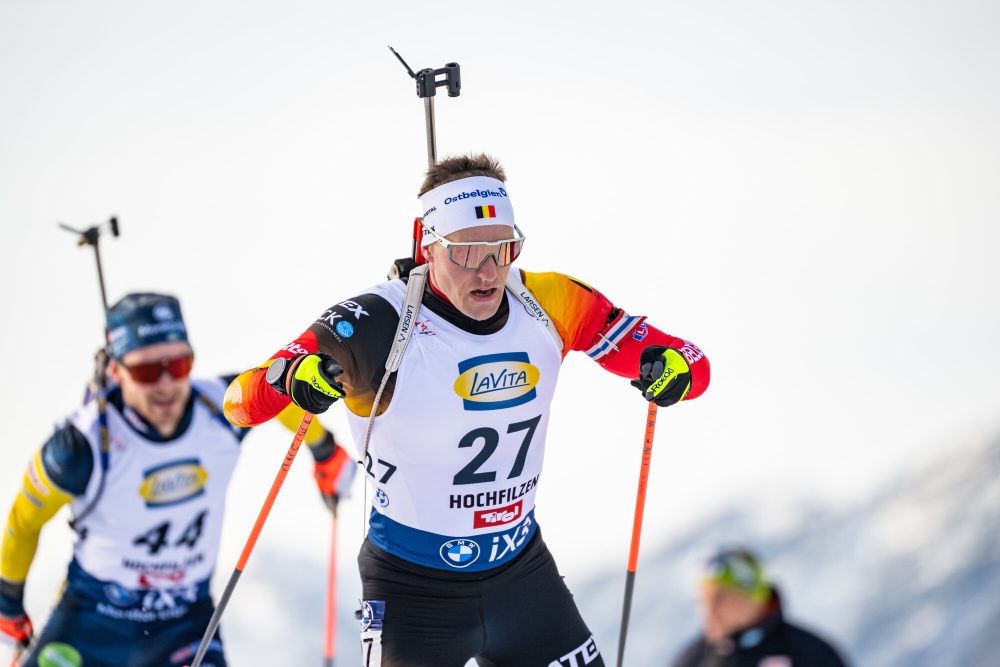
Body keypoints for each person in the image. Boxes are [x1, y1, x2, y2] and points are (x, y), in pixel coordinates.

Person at [223, 153, 711, 667]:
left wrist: (673, 368)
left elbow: (692, 366)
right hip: (413, 591)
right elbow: (240, 403)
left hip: (522, 577)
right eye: (465, 253)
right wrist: (292, 379)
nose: (488, 271)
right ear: (428, 247)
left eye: (503, 249)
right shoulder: (377, 321)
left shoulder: (548, 301)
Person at [0, 293, 355, 667]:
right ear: (117, 372)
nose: (167, 384)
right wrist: (8, 604)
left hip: (183, 622)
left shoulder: (219, 408)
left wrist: (324, 450)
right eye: (148, 372)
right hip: (92, 620)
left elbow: (280, 398)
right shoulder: (81, 444)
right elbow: (25, 522)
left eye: (179, 364)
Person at [671, 547, 850, 667]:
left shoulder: (809, 653)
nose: (708, 610)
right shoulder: (693, 660)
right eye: (701, 600)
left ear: (752, 597)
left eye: (720, 598)